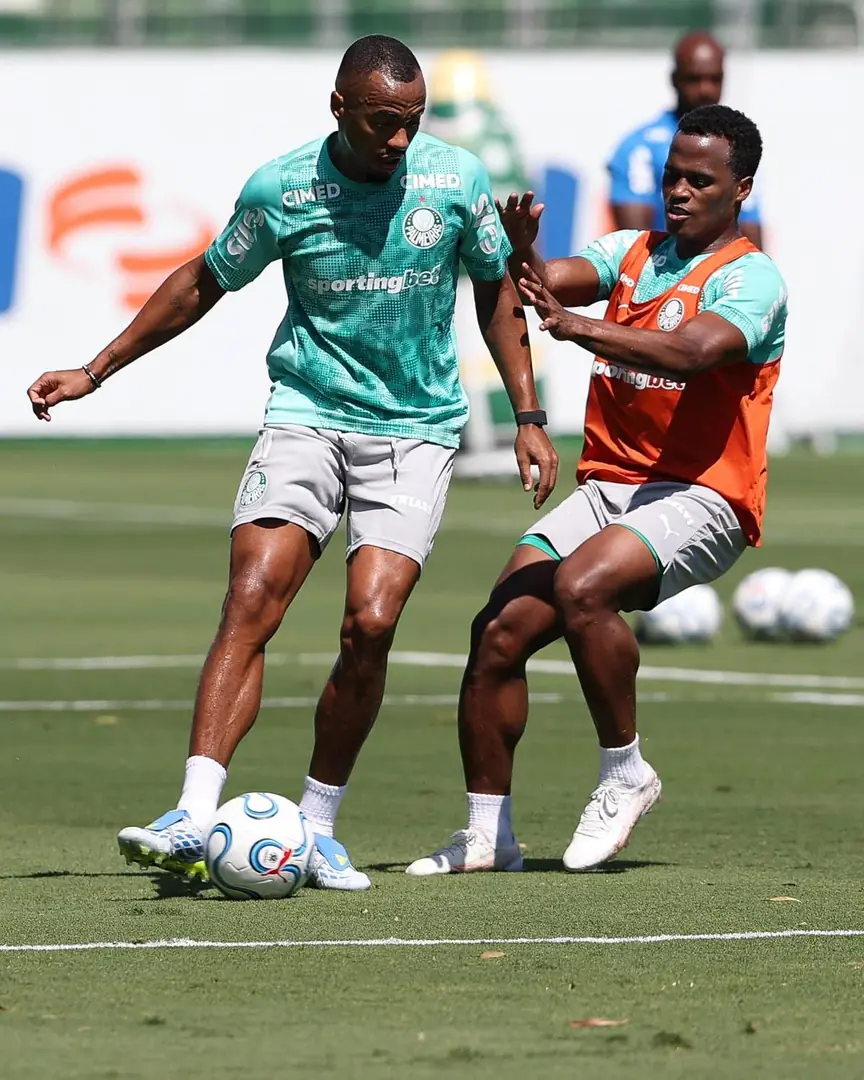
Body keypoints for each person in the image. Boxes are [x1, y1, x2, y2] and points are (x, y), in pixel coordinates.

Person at [26, 35, 557, 891]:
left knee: (370, 626)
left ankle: (316, 824)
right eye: (383, 122)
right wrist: (96, 370)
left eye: (413, 121)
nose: (400, 140)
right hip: (306, 414)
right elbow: (202, 281)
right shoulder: (283, 189)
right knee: (251, 596)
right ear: (339, 108)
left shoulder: (454, 181)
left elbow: (497, 290)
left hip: (416, 427)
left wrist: (529, 416)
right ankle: (192, 812)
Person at [407, 105, 787, 876]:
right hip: (612, 487)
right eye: (672, 176)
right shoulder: (631, 250)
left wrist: (577, 327)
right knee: (498, 633)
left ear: (741, 188)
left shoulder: (753, 279)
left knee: (582, 587)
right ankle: (486, 835)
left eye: (699, 180)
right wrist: (520, 251)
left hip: (703, 495)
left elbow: (691, 352)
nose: (678, 191)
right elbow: (545, 286)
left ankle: (625, 772)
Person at [608, 32, 763, 249]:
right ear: (674, 79)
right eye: (694, 79)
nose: (705, 90)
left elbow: (751, 238)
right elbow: (636, 245)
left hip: (722, 268)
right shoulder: (640, 148)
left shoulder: (733, 148)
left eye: (715, 79)